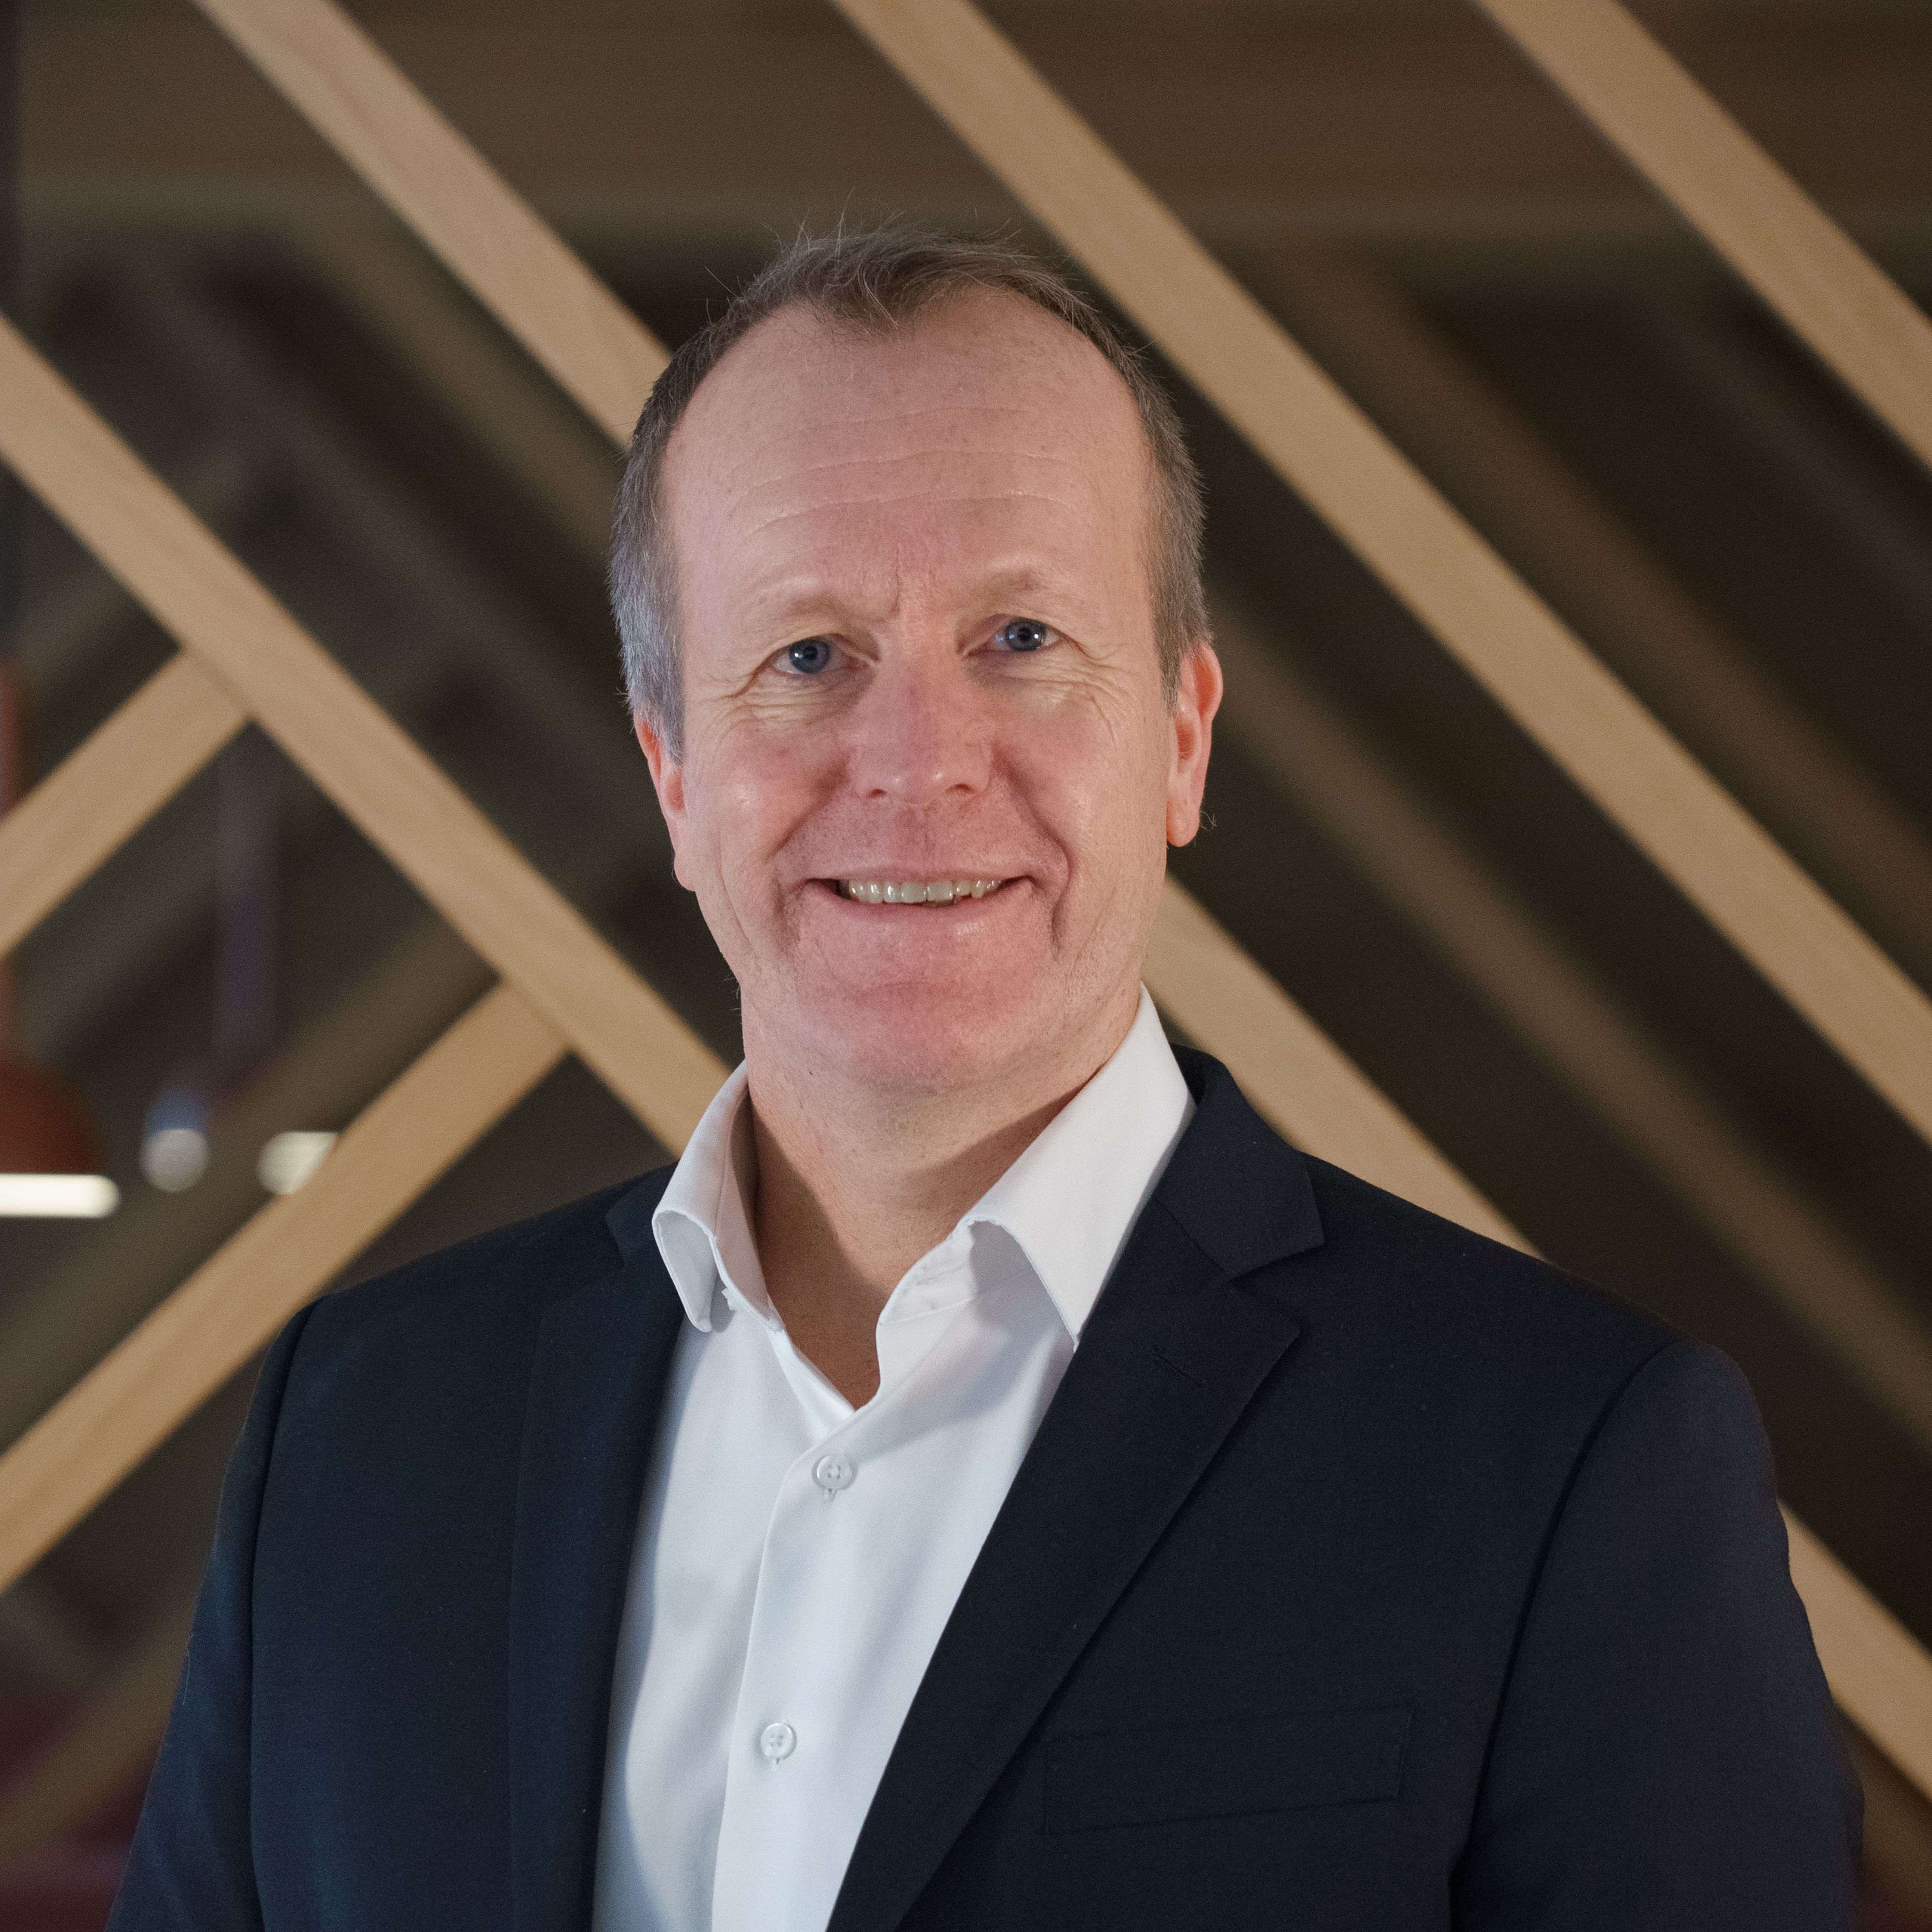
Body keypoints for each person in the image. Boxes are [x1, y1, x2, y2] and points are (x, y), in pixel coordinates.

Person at [110, 227, 1859, 1932]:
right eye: (807, 655)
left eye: (1019, 638)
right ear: (674, 773)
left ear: (1180, 738)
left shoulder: (1568, 1462)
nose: (919, 760)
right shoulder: (359, 1428)